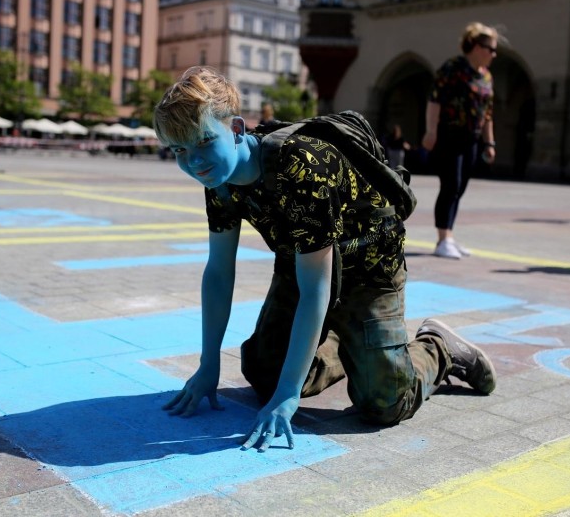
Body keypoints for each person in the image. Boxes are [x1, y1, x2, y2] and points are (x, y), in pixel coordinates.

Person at [153, 66, 497, 452]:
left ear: (235, 128)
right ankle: (344, 341)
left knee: (382, 403)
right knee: (263, 374)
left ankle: (438, 347)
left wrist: (289, 395)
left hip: (369, 269)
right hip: (301, 263)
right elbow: (218, 273)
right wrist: (208, 363)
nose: (194, 161)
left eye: (202, 141)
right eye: (179, 150)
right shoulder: (219, 178)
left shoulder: (301, 166)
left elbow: (317, 288)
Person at [422, 22, 499, 259]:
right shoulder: (453, 68)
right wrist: (431, 131)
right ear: (476, 46)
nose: (494, 54)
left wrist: (490, 143)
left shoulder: (486, 76)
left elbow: (487, 113)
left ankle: (450, 237)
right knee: (451, 184)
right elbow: (435, 100)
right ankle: (442, 239)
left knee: (461, 187)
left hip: (472, 138)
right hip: (449, 134)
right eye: (491, 49)